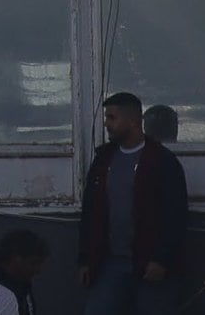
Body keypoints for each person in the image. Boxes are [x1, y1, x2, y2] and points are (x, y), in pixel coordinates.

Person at [79, 92, 186, 315]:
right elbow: (90, 212)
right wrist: (85, 259)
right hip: (109, 262)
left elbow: (175, 215)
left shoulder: (161, 162)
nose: (107, 125)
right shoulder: (103, 160)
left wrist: (161, 259)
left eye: (112, 118)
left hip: (150, 263)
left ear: (133, 121)